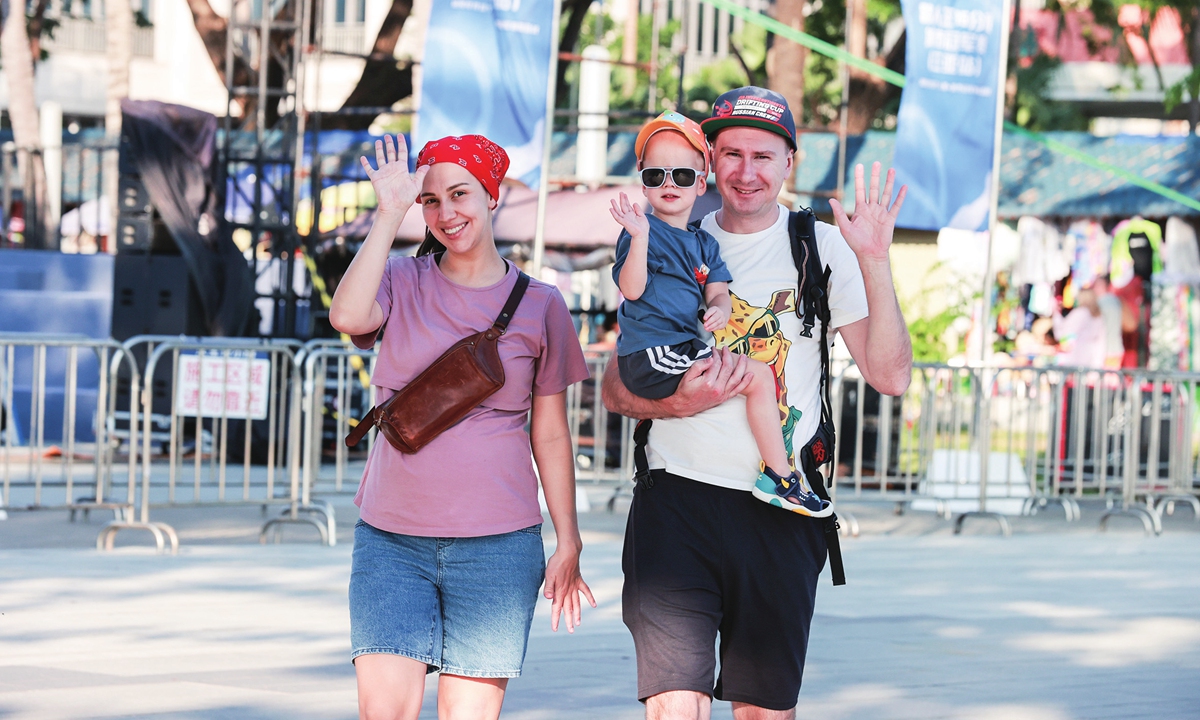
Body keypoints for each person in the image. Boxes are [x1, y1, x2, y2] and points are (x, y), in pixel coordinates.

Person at [602, 87, 913, 719]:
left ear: (789, 162)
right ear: (709, 160)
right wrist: (680, 404)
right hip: (676, 502)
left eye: (764, 156)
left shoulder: (820, 248)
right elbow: (615, 386)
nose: (747, 171)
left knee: (763, 711)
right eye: (732, 153)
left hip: (780, 510)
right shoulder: (667, 238)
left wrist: (874, 259)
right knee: (672, 703)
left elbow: (891, 376)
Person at [329, 133, 596, 720]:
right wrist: (388, 212)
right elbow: (347, 314)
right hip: (391, 540)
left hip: (498, 549)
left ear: (491, 195)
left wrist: (568, 538)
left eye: (460, 194)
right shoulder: (401, 279)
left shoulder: (541, 303)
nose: (447, 213)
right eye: (431, 201)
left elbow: (549, 434)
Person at [608, 111, 825, 515]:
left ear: (701, 179)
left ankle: (778, 475)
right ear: (642, 179)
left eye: (683, 176)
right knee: (756, 375)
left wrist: (719, 312)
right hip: (653, 352)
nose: (669, 185)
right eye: (656, 176)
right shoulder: (641, 233)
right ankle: (780, 477)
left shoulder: (703, 241)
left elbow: (719, 290)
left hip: (679, 345)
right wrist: (638, 238)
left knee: (757, 374)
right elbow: (631, 289)